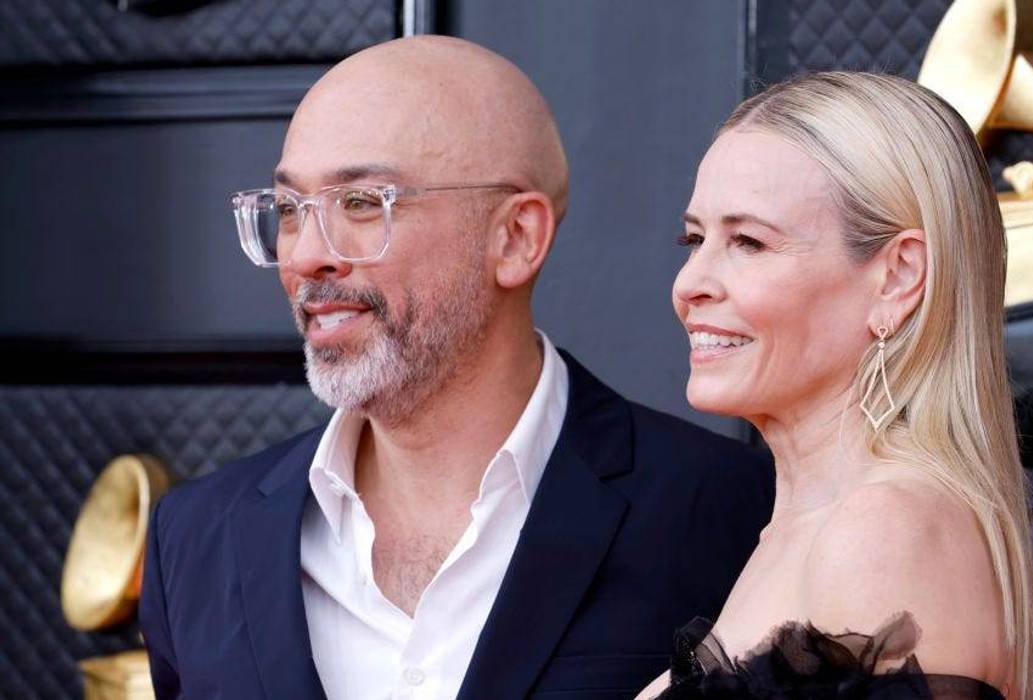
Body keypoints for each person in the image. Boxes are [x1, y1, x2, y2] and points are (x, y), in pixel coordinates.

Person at [138, 36, 773, 700]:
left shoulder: (729, 512)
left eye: (361, 203)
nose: (305, 257)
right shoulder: (196, 536)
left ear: (515, 238)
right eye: (292, 210)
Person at [638, 72, 1033, 699]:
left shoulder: (881, 530)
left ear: (898, 277)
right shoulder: (808, 525)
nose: (689, 284)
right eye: (694, 239)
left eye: (749, 242)